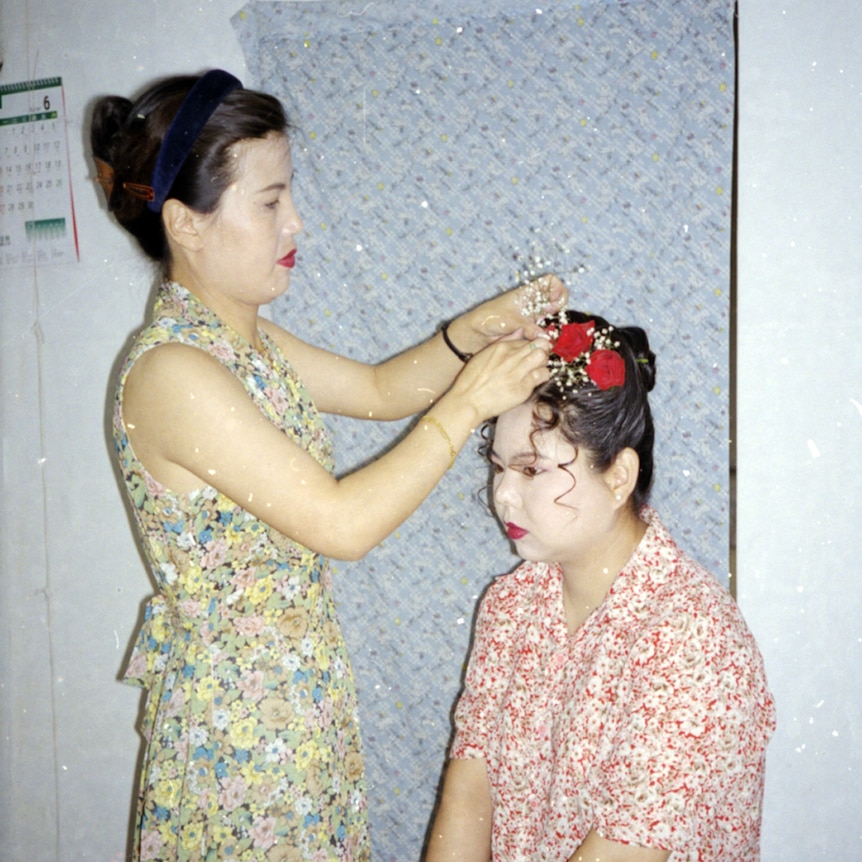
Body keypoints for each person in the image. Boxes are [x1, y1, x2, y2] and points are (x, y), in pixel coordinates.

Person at [90, 69, 566, 862]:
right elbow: (342, 525)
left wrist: (477, 330)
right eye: (269, 201)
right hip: (241, 738)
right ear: (186, 223)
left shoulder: (242, 343)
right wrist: (468, 404)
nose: (295, 222)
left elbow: (380, 390)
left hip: (290, 708)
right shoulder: (172, 371)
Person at [426, 310, 776, 862]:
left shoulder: (694, 642)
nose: (504, 497)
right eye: (497, 467)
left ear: (618, 477)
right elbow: (471, 787)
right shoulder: (511, 605)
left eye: (531, 470)